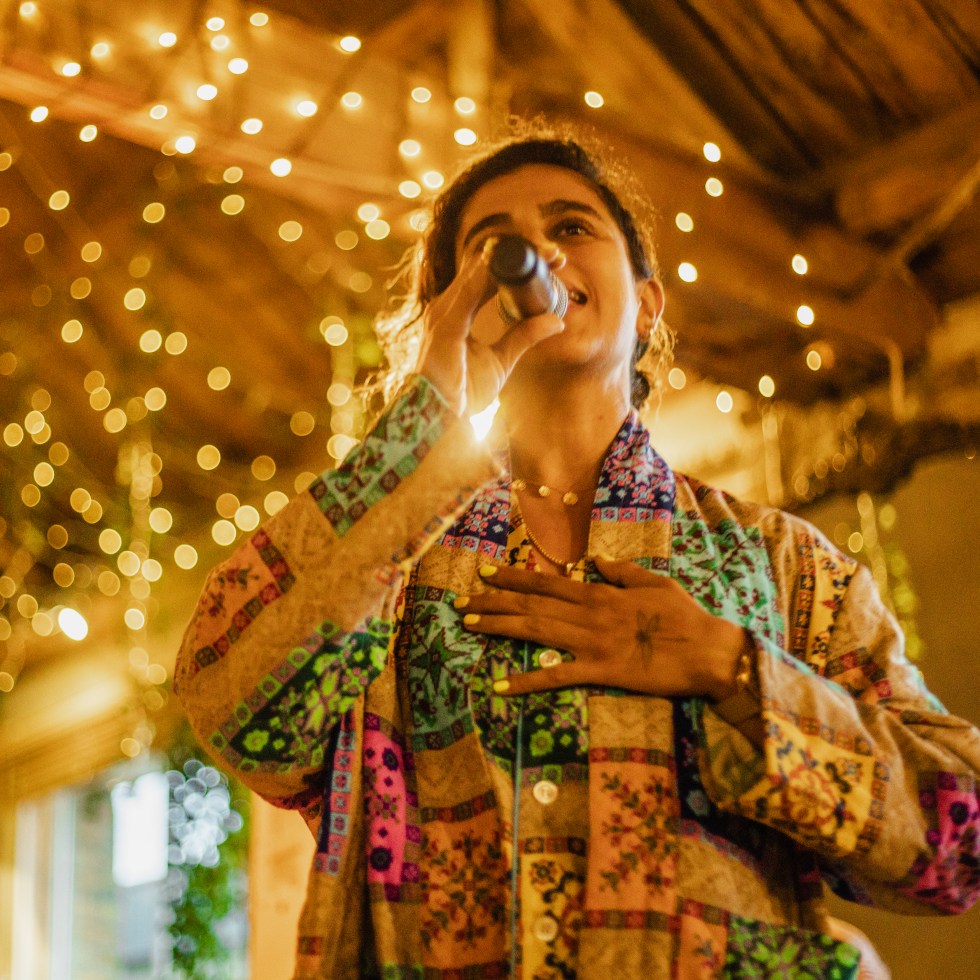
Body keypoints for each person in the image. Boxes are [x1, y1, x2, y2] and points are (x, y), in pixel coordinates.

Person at [174, 126, 980, 978]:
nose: (538, 253)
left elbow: (957, 843)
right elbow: (236, 710)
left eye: (571, 226)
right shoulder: (392, 560)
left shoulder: (782, 564)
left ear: (649, 302)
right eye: (491, 244)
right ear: (448, 313)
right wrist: (423, 423)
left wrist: (733, 668)